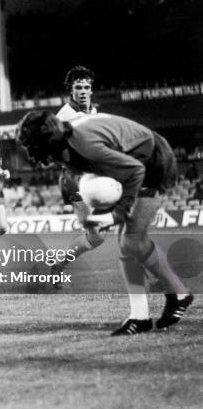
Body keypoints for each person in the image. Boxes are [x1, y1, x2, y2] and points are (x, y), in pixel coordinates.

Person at [16, 110, 194, 336]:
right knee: (128, 244)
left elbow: (135, 170)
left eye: (34, 146)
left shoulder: (85, 144)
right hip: (129, 159)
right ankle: (149, 311)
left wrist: (115, 214)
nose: (34, 154)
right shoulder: (65, 140)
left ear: (47, 142)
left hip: (152, 161)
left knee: (131, 241)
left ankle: (171, 298)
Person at [53, 66, 105, 276]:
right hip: (74, 179)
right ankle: (58, 266)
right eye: (78, 87)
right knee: (95, 236)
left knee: (97, 237)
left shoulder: (94, 112)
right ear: (71, 90)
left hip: (95, 176)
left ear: (91, 90)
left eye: (86, 87)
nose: (82, 91)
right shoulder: (63, 117)